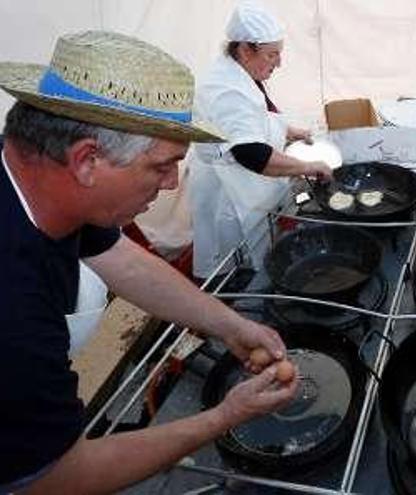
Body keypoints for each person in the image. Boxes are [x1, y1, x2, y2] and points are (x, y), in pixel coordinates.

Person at [0, 31, 298, 494]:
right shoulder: (12, 305)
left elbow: (123, 260)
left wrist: (230, 325)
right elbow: (59, 478)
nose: (170, 183)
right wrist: (225, 416)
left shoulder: (44, 178)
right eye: (160, 166)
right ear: (87, 161)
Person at [188, 0, 333, 279]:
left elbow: (254, 119)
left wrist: (290, 132)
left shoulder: (238, 72)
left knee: (257, 250)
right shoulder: (225, 89)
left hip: (242, 184)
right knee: (237, 270)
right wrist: (308, 166)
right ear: (245, 49)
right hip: (229, 193)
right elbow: (251, 153)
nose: (279, 62)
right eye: (272, 55)